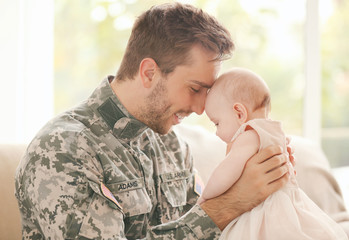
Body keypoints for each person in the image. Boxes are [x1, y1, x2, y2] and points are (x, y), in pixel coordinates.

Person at [15, 3, 292, 239]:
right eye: (195, 89)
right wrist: (232, 204)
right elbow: (212, 217)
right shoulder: (62, 150)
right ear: (149, 72)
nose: (200, 108)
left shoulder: (172, 145)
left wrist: (257, 176)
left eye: (207, 93)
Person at [201, 67, 348, 239]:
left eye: (217, 123)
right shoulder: (275, 133)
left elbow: (226, 172)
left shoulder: (249, 135)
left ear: (239, 113)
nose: (216, 132)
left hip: (266, 213)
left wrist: (205, 197)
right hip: (290, 209)